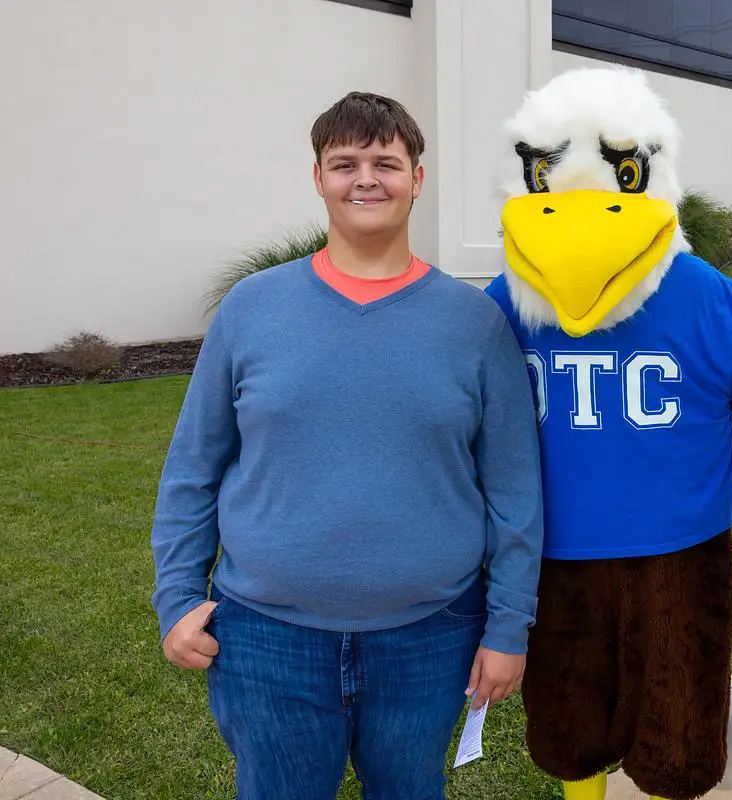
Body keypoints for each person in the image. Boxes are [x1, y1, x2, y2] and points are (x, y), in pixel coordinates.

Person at [149, 91, 544, 800]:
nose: (367, 178)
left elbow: (515, 491)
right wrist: (177, 597)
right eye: (345, 163)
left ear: (417, 178)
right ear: (318, 178)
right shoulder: (252, 309)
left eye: (386, 162)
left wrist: (509, 626)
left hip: (431, 635)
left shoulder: (473, 323)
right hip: (268, 638)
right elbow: (192, 469)